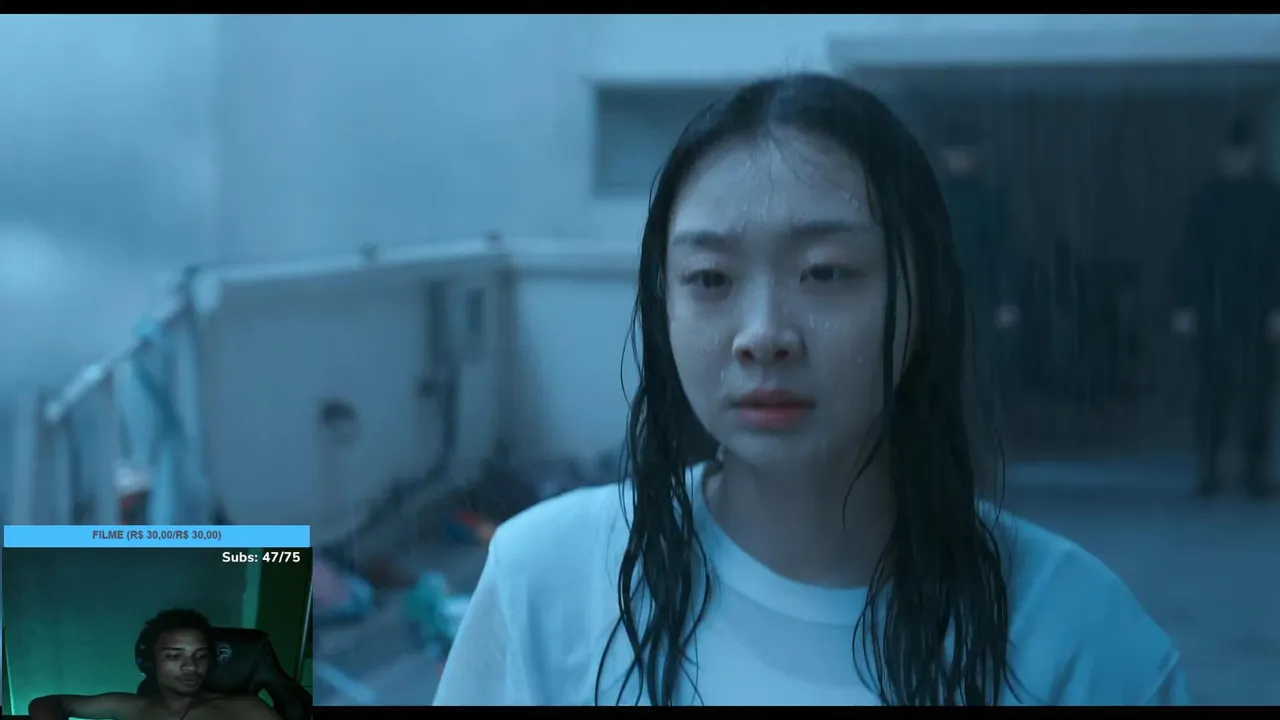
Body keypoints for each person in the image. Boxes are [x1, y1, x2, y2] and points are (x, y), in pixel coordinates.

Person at [435, 73, 1187, 706]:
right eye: (711, 279)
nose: (763, 334)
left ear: (923, 298)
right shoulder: (545, 580)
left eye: (825, 272)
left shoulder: (1078, 638)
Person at [1172, 116, 1280, 499]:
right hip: (1215, 306)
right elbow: (1190, 254)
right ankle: (1210, 468)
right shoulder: (1207, 199)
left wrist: (1276, 307)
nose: (1236, 161)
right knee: (1213, 394)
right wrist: (1186, 305)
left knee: (1256, 394)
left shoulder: (1269, 198)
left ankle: (1253, 471)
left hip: (1254, 307)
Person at [28, 609, 281, 720]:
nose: (191, 666)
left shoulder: (246, 710)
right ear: (150, 662)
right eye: (175, 656)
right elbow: (46, 704)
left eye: (201, 655)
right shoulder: (130, 707)